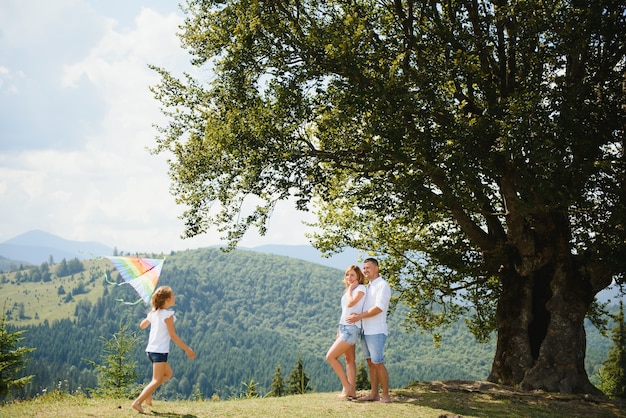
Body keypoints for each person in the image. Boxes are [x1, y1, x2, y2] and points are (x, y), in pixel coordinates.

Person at [132, 286, 196, 413]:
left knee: (168, 374)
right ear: (167, 300)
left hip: (151, 350)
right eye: (172, 296)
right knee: (156, 379)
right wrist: (187, 349)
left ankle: (148, 394)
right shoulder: (168, 315)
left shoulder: (154, 313)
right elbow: (173, 335)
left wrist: (151, 314)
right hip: (159, 352)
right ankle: (137, 402)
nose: (174, 298)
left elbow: (142, 326)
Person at [347, 257, 392, 403]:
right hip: (365, 330)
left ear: (376, 268)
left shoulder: (382, 285)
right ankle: (374, 394)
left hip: (376, 330)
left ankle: (385, 395)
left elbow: (379, 308)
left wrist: (358, 316)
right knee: (370, 362)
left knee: (378, 362)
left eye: (368, 267)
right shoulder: (368, 287)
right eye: (364, 268)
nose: (365, 270)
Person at [325, 265, 367, 399]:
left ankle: (347, 387)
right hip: (344, 328)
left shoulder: (360, 289)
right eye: (347, 275)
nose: (349, 278)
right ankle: (352, 392)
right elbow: (345, 311)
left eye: (352, 275)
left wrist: (349, 289)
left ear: (358, 277)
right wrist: (339, 329)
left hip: (352, 329)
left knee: (330, 357)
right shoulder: (350, 289)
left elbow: (350, 304)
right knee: (349, 360)